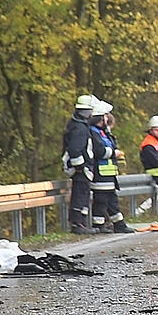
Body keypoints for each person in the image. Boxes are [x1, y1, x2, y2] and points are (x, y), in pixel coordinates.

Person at [88, 100, 133, 233]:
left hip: (108, 174)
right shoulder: (93, 132)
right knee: (101, 200)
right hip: (99, 173)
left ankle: (119, 224)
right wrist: (114, 153)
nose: (108, 117)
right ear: (100, 117)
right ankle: (99, 225)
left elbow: (110, 145)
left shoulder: (103, 132)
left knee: (112, 200)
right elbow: (99, 151)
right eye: (106, 115)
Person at [61, 95, 97, 234]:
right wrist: (80, 167)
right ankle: (77, 224)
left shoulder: (78, 125)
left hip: (82, 168)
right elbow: (75, 149)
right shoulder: (80, 128)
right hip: (80, 170)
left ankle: (80, 223)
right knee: (80, 194)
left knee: (83, 194)